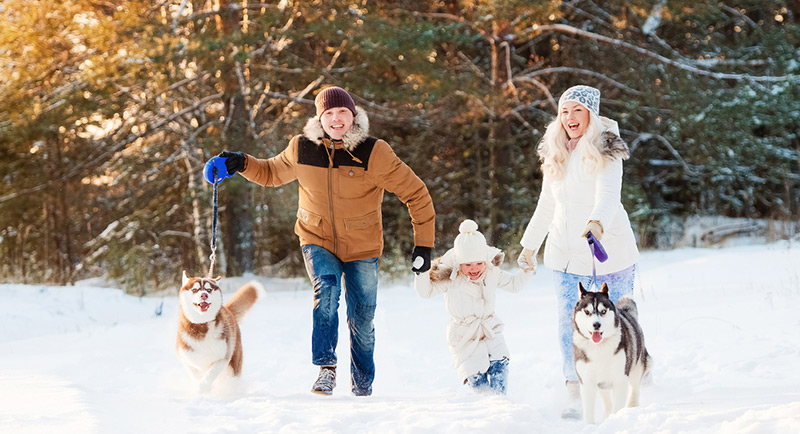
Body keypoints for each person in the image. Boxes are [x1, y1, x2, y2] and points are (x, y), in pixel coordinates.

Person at [203, 86, 436, 397]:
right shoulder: (302, 148)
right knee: (325, 287)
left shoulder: (374, 152)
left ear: (353, 115)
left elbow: (416, 193)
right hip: (316, 237)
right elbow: (271, 172)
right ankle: (326, 368)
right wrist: (240, 162)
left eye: (342, 112)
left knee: (362, 320)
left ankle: (362, 386)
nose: (336, 119)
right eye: (329, 113)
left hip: (363, 245)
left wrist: (424, 245)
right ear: (319, 117)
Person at [517, 85, 640, 412]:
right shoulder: (555, 151)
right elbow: (546, 205)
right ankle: (575, 387)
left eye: (578, 110)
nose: (570, 117)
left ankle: (626, 380)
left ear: (592, 115)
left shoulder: (607, 149)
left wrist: (597, 223)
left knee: (619, 319)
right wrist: (530, 246)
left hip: (608, 252)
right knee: (568, 323)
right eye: (564, 111)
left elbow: (609, 196)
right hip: (564, 254)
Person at [414, 219, 533, 395]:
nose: (474, 268)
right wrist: (421, 272)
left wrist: (527, 270)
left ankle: (500, 401)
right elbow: (426, 292)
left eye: (478, 263)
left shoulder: (492, 272)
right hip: (464, 335)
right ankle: (484, 403)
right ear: (459, 263)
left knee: (500, 361)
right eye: (468, 264)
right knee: (477, 379)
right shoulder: (452, 279)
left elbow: (514, 285)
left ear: (485, 259)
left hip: (489, 328)